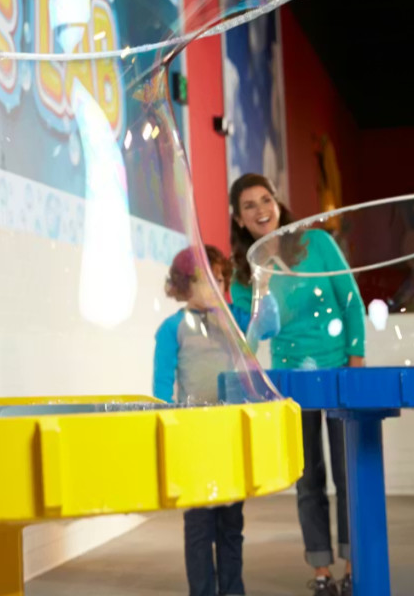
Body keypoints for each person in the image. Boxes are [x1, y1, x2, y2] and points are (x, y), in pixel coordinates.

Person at [228, 174, 364, 596]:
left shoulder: (317, 244)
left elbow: (351, 301)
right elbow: (250, 341)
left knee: (347, 475)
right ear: (238, 219)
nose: (260, 210)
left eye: (265, 199)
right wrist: (260, 288)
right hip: (290, 380)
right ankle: (321, 570)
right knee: (308, 480)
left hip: (339, 372)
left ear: (278, 203)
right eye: (249, 205)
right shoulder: (242, 275)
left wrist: (356, 363)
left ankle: (353, 565)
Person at [153, 245, 246, 596]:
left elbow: (262, 330)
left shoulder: (232, 319)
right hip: (194, 440)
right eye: (204, 280)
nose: (214, 287)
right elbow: (161, 388)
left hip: (229, 436)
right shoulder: (172, 328)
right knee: (198, 527)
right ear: (183, 285)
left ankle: (234, 591)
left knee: (232, 524)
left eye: (219, 280)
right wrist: (169, 433)